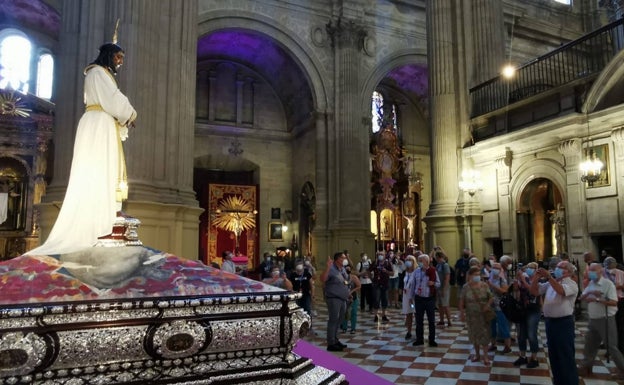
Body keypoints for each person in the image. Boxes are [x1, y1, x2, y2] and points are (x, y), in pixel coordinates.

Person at [27, 42, 137, 256]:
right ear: (108, 55)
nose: (120, 61)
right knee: (96, 167)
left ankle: (105, 213)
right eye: (118, 57)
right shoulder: (98, 73)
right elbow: (113, 100)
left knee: (105, 168)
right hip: (99, 125)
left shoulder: (101, 74)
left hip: (102, 123)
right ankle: (95, 219)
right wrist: (131, 113)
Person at [530, 261, 579, 385]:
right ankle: (558, 381)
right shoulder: (551, 283)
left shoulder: (571, 284)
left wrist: (549, 277)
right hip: (550, 323)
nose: (556, 269)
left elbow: (561, 291)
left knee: (565, 355)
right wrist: (535, 279)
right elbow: (534, 292)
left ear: (567, 271)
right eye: (556, 267)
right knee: (554, 355)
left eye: (559, 267)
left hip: (563, 323)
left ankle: (570, 382)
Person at [578, 263, 624, 380]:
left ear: (600, 272)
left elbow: (613, 302)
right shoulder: (591, 284)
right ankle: (586, 367)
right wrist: (589, 293)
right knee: (590, 344)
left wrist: (597, 299)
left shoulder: (608, 284)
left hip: (605, 318)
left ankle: (622, 369)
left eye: (593, 270)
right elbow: (581, 298)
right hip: (593, 319)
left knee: (611, 346)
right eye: (590, 270)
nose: (590, 272)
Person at [459, 266, 493, 366]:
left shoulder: (484, 285)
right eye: (475, 275)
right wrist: (462, 313)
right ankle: (477, 355)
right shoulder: (466, 287)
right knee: (474, 335)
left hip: (483, 314)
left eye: (478, 274)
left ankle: (485, 356)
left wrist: (487, 305)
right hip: (471, 315)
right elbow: (461, 300)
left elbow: (491, 297)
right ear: (470, 275)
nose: (477, 276)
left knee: (485, 335)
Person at [321, 252, 350, 352]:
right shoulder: (331, 268)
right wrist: (328, 267)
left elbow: (345, 281)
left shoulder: (342, 269)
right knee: (333, 319)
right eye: (343, 257)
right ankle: (331, 343)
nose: (345, 259)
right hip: (334, 298)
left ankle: (336, 340)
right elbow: (323, 279)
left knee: (340, 320)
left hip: (343, 298)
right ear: (338, 259)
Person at [514, 262, 541, 368]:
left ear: (536, 269)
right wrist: (517, 282)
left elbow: (533, 291)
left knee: (531, 334)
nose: (529, 269)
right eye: (528, 267)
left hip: (533, 310)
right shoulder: (522, 279)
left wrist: (523, 280)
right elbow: (516, 293)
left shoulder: (539, 280)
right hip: (522, 310)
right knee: (521, 335)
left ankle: (534, 358)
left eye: (532, 268)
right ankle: (522, 356)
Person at [412, 253, 440, 347]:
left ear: (427, 262)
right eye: (419, 261)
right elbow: (413, 285)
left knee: (431, 320)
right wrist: (412, 298)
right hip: (418, 299)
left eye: (421, 261)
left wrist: (433, 284)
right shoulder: (416, 271)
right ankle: (419, 339)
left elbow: (438, 283)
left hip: (429, 299)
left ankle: (432, 340)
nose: (419, 263)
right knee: (419, 320)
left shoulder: (432, 271)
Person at [487, 261, 512, 353]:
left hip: (500, 307)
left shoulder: (502, 280)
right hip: (491, 306)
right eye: (494, 268)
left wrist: (492, 286)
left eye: (497, 268)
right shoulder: (489, 278)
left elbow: (504, 292)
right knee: (492, 327)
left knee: (503, 326)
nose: (495, 270)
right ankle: (493, 344)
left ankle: (507, 346)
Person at [603, 256, 624, 352]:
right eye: (608, 265)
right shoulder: (603, 272)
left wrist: (619, 286)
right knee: (609, 325)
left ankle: (620, 346)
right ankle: (610, 347)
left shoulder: (621, 273)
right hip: (607, 301)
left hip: (619, 300)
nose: (610, 267)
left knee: (620, 324)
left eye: (612, 264)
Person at [371, 251, 393, 323]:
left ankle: (383, 315)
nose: (380, 255)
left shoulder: (387, 263)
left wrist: (386, 271)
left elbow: (392, 273)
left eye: (382, 254)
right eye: (379, 254)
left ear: (385, 255)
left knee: (385, 299)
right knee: (376, 299)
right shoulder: (375, 263)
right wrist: (371, 278)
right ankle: (375, 315)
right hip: (376, 284)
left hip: (385, 284)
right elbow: (368, 270)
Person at [341, 263, 361, 334]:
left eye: (349, 269)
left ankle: (353, 328)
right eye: (346, 269)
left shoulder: (354, 277)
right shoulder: (341, 277)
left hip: (354, 297)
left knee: (353, 313)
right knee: (344, 313)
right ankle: (344, 327)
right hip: (344, 297)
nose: (348, 270)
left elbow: (359, 286)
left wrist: (351, 291)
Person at [434, 249, 452, 327]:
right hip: (439, 287)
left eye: (436, 257)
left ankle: (449, 321)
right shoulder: (438, 265)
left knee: (445, 304)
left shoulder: (445, 265)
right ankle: (441, 320)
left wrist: (444, 289)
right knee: (440, 305)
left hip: (444, 287)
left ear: (439, 257)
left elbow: (447, 277)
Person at [401, 255, 417, 340]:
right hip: (406, 296)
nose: (408, 261)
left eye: (410, 260)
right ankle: (409, 331)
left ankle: (418, 331)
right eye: (407, 260)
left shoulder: (416, 272)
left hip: (413, 297)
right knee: (408, 314)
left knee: (415, 312)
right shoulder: (405, 272)